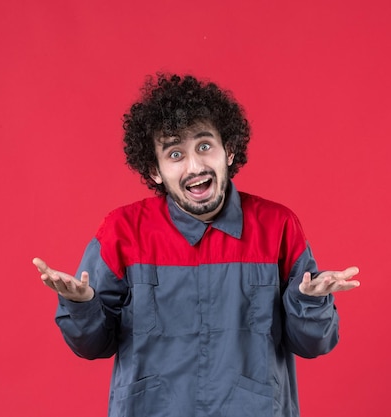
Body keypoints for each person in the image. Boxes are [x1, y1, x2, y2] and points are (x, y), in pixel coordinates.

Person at [33, 73, 360, 417]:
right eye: (175, 153)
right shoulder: (122, 231)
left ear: (228, 150)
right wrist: (81, 304)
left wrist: (310, 302)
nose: (195, 166)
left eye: (204, 146)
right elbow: (93, 347)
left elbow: (312, 344)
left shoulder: (277, 226)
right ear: (155, 170)